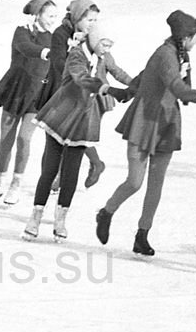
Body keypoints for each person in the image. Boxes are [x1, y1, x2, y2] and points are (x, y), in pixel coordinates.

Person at [95, 11, 196, 257]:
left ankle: (142, 235)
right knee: (135, 182)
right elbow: (177, 87)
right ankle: (106, 212)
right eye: (195, 36)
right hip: (144, 121)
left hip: (166, 122)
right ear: (185, 37)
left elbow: (161, 80)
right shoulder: (165, 54)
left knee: (156, 184)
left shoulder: (180, 54)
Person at [27, 23, 132, 242]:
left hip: (83, 120)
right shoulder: (76, 55)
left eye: (110, 45)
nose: (106, 48)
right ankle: (35, 217)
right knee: (50, 169)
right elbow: (81, 78)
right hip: (61, 115)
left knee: (71, 173)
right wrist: (108, 89)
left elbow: (119, 72)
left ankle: (60, 220)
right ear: (94, 39)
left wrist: (137, 85)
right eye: (104, 43)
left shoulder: (103, 57)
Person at [0, 0, 61, 205]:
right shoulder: (22, 31)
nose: (53, 20)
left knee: (24, 138)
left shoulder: (54, 37)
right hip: (15, 89)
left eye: (55, 15)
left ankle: (16, 184)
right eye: (50, 15)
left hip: (38, 93)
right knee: (6, 138)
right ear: (37, 15)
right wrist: (46, 52)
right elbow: (25, 48)